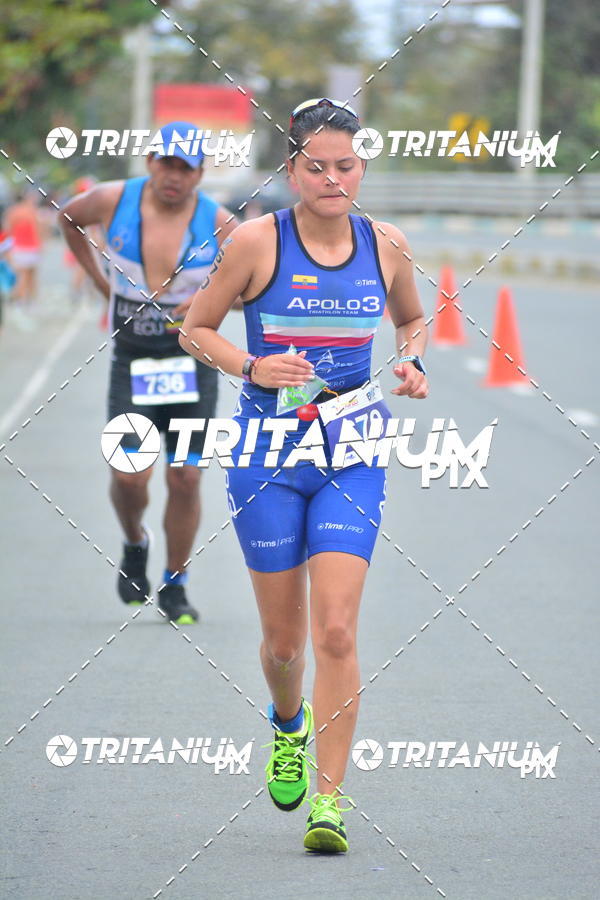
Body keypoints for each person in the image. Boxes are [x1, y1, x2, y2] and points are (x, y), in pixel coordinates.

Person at [179, 99, 429, 852]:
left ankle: (330, 803)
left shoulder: (386, 244)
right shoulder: (257, 242)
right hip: (267, 451)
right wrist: (253, 365)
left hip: (352, 448)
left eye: (346, 166)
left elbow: (411, 318)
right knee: (285, 646)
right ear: (292, 171)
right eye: (316, 167)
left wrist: (413, 359)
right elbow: (195, 328)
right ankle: (288, 723)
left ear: (362, 168)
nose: (332, 179)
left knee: (337, 631)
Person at [61, 121, 238, 624]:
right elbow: (68, 219)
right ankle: (135, 541)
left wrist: (212, 304)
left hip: (192, 365)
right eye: (167, 164)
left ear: (199, 174)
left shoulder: (221, 224)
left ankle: (175, 583)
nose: (174, 176)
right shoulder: (111, 200)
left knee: (185, 477)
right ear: (150, 163)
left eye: (185, 168)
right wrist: (101, 283)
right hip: (133, 361)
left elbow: (252, 284)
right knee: (129, 477)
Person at [5, 189, 44, 327]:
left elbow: (8, 229)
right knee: (29, 277)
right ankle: (25, 303)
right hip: (29, 247)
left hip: (19, 247)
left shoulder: (13, 211)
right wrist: (41, 244)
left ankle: (23, 303)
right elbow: (38, 229)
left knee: (25, 276)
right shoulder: (31, 211)